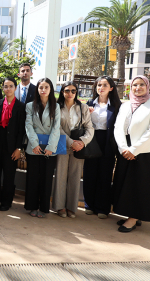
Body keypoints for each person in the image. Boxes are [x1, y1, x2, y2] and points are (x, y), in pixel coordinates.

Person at [113, 76, 150, 233]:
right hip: (126, 152)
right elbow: (118, 128)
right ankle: (132, 214)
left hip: (145, 153)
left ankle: (133, 219)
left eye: (141, 84)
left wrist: (134, 149)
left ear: (147, 86)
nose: (138, 87)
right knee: (128, 185)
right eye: (135, 85)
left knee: (141, 187)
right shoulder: (126, 105)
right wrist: (123, 148)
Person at [53, 81, 94, 218]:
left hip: (79, 146)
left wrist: (82, 142)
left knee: (75, 176)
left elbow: (89, 127)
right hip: (62, 143)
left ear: (76, 93)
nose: (70, 93)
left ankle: (71, 207)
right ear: (62, 92)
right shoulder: (57, 107)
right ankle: (60, 206)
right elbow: (56, 128)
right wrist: (71, 142)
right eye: (67, 91)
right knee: (60, 175)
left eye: (73, 91)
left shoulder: (83, 108)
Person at [83, 76, 121, 219]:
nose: (101, 87)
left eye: (105, 85)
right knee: (90, 173)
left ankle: (102, 208)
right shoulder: (89, 103)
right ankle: (89, 205)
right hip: (92, 140)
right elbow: (81, 122)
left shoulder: (117, 106)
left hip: (108, 142)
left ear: (111, 88)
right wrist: (86, 113)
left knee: (105, 175)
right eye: (99, 85)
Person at [24, 78, 61, 218]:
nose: (43, 90)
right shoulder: (30, 106)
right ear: (37, 89)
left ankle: (44, 208)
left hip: (49, 148)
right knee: (33, 177)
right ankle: (32, 206)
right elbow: (28, 126)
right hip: (34, 147)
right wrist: (34, 144)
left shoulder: (55, 106)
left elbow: (56, 128)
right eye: (41, 87)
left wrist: (51, 146)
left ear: (51, 89)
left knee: (46, 178)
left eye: (46, 87)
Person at [0, 78, 26, 211]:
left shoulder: (21, 106)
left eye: (11, 86)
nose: (8, 89)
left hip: (12, 146)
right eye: (5, 86)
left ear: (15, 88)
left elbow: (22, 130)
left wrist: (19, 148)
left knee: (9, 176)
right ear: (3, 88)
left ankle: (6, 202)